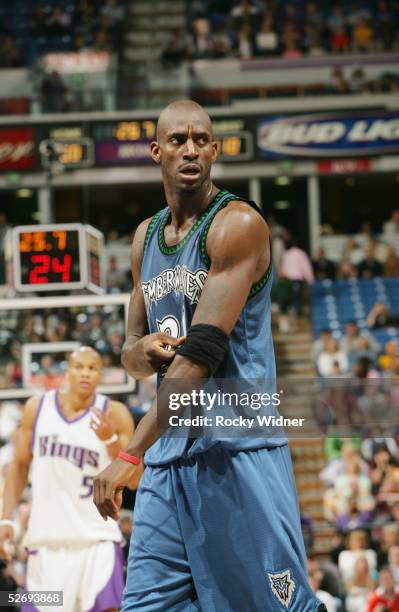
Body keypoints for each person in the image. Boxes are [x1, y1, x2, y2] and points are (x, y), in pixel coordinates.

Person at [93, 100, 325, 611]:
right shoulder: (144, 239)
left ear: (216, 150)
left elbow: (200, 357)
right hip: (170, 455)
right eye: (178, 140)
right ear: (157, 151)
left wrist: (130, 452)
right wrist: (143, 350)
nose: (191, 148)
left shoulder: (236, 225)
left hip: (236, 450)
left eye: (201, 138)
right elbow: (129, 352)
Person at [0, 346, 138, 612]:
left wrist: (110, 440)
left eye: (92, 368)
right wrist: (5, 518)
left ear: (101, 375)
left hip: (98, 540)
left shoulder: (115, 413)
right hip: (47, 542)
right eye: (79, 367)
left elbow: (135, 480)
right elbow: (18, 467)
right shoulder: (37, 408)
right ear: (67, 371)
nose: (85, 373)